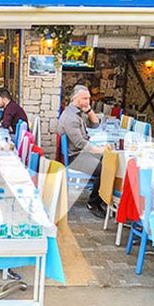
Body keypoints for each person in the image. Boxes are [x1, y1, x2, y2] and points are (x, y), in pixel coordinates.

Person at [57, 84, 110, 218]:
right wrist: (99, 149)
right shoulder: (70, 117)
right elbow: (80, 143)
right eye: (85, 98)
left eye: (89, 98)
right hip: (74, 156)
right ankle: (93, 203)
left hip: (81, 153)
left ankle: (105, 197)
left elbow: (95, 124)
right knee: (104, 169)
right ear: (75, 99)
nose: (88, 101)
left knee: (110, 161)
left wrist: (89, 110)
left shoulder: (78, 112)